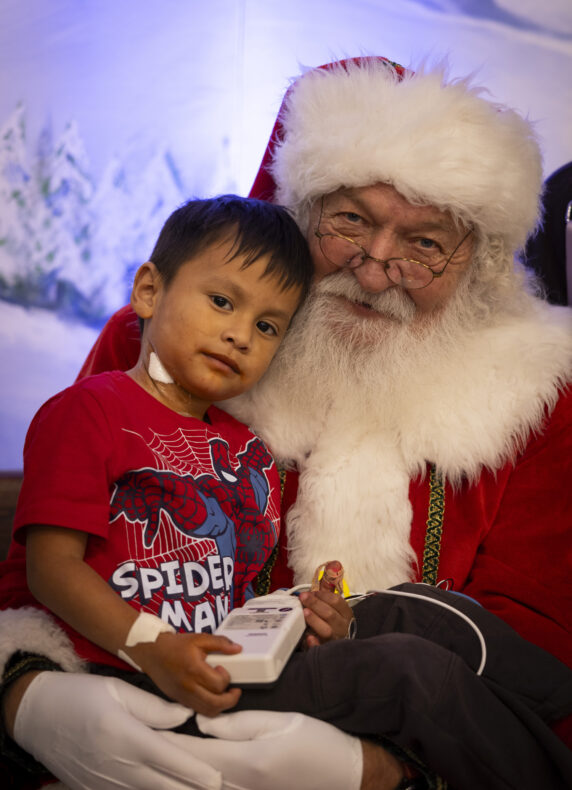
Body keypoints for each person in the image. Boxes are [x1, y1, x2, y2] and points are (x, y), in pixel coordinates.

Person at [1, 56, 572, 790]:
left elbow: (542, 655)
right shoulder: (160, 348)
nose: (374, 270)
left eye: (426, 243)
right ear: (294, 208)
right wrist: (30, 698)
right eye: (350, 220)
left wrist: (382, 774)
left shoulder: (536, 397)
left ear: (477, 267)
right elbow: (39, 565)